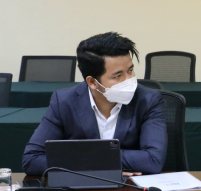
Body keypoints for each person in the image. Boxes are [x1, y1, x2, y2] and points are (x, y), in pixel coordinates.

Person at [22, 32, 168, 176]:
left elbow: (153, 160)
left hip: (130, 187)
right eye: (118, 76)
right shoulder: (64, 101)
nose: (128, 80)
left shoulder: (148, 100)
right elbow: (32, 159)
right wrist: (99, 166)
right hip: (80, 188)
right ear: (92, 82)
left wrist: (84, 160)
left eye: (130, 70)